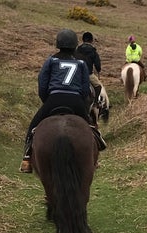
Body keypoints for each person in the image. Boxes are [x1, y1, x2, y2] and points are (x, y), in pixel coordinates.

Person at [20, 29, 106, 173]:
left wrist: (47, 100)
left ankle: (27, 157)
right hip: (76, 101)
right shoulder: (81, 63)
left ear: (58, 44)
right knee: (90, 126)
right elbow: (85, 89)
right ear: (74, 45)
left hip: (54, 98)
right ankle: (95, 154)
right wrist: (81, 103)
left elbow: (42, 84)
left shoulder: (51, 61)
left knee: (34, 125)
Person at [76, 31, 104, 102]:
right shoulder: (93, 51)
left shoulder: (77, 49)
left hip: (77, 73)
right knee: (98, 86)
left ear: (83, 40)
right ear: (91, 40)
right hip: (88, 74)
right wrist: (98, 70)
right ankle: (95, 102)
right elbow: (97, 65)